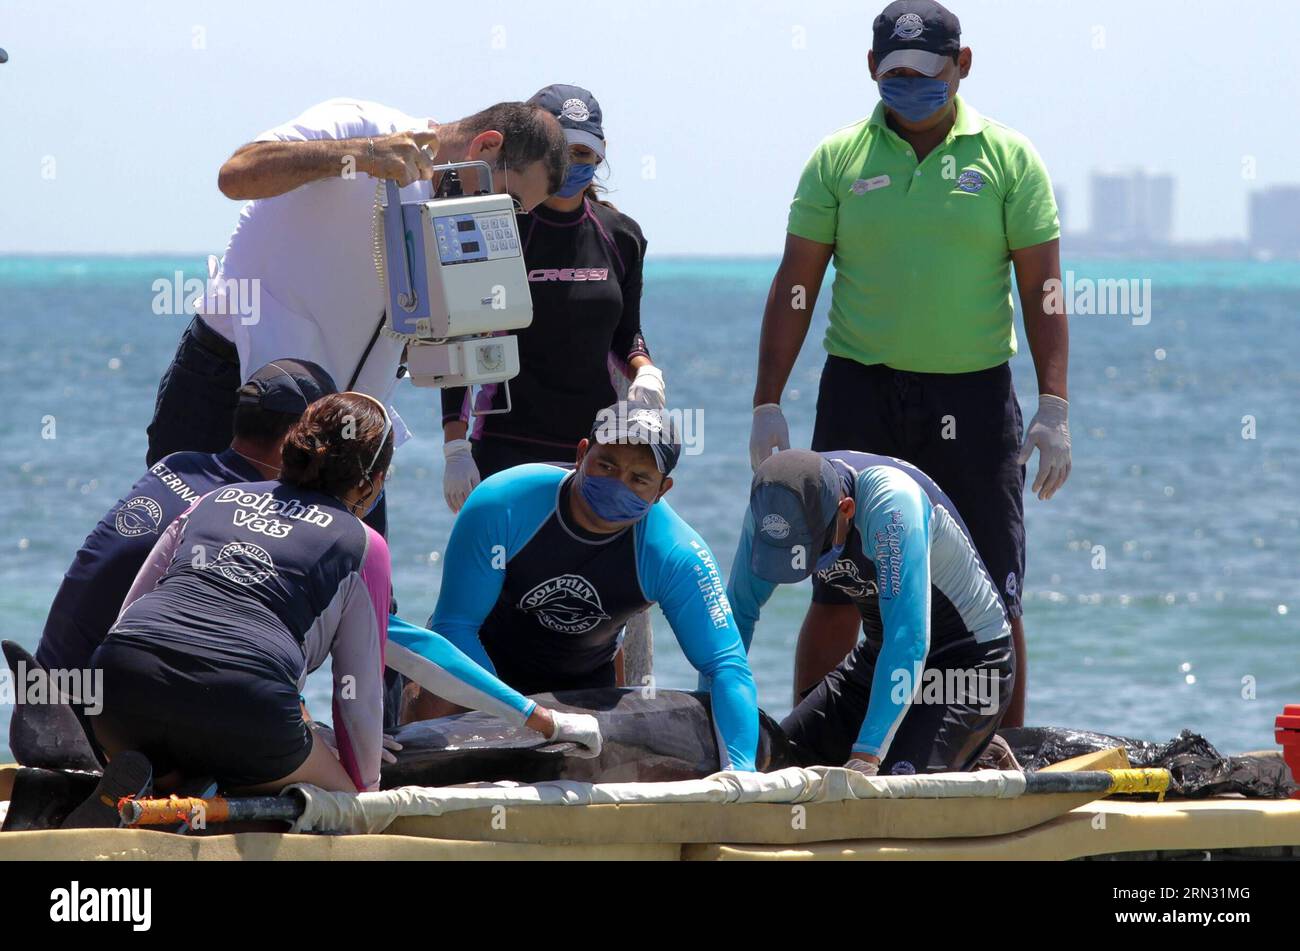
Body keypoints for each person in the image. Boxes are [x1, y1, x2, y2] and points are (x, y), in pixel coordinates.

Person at [746, 0, 1068, 727]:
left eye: (928, 73)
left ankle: (995, 751)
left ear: (963, 65)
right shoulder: (837, 160)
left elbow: (1042, 289)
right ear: (871, 69)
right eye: (895, 73)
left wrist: (1055, 406)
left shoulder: (1010, 158)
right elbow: (797, 284)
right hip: (862, 392)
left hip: (977, 396)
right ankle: (810, 745)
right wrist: (768, 399)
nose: (912, 86)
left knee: (993, 587)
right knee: (838, 583)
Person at [85, 393, 598, 813]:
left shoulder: (211, 502)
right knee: (343, 804)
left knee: (210, 729)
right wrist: (363, 787)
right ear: (373, 481)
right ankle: (213, 788)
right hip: (242, 708)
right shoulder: (361, 545)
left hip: (117, 690)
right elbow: (362, 693)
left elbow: (130, 617)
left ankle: (162, 781)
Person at [144, 97, 569, 537]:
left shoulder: (461, 215)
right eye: (509, 198)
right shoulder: (361, 122)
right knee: (171, 543)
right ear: (486, 146)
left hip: (342, 421)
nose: (502, 214)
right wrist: (364, 156)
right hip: (231, 384)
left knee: (358, 581)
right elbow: (237, 173)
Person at [413, 402, 760, 773]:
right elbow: (455, 627)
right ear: (582, 454)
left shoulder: (675, 553)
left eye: (639, 478)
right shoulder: (503, 503)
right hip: (477, 661)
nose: (618, 484)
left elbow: (726, 665)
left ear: (662, 489)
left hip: (584, 684)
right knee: (434, 686)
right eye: (607, 465)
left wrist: (741, 772)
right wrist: (519, 713)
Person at [440, 84, 664, 511]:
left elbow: (627, 332)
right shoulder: (497, 227)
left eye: (581, 153)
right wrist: (455, 446)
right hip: (506, 445)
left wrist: (646, 371)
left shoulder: (622, 235)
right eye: (560, 152)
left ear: (600, 155)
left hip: (599, 451)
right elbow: (462, 338)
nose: (569, 166)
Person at [728, 450, 1013, 775]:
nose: (802, 568)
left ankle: (980, 752)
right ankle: (948, 746)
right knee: (774, 763)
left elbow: (909, 641)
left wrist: (867, 755)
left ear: (846, 510)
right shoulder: (772, 504)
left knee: (895, 785)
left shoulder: (892, 506)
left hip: (965, 666)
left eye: (811, 553)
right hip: (881, 659)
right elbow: (737, 612)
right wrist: (716, 712)